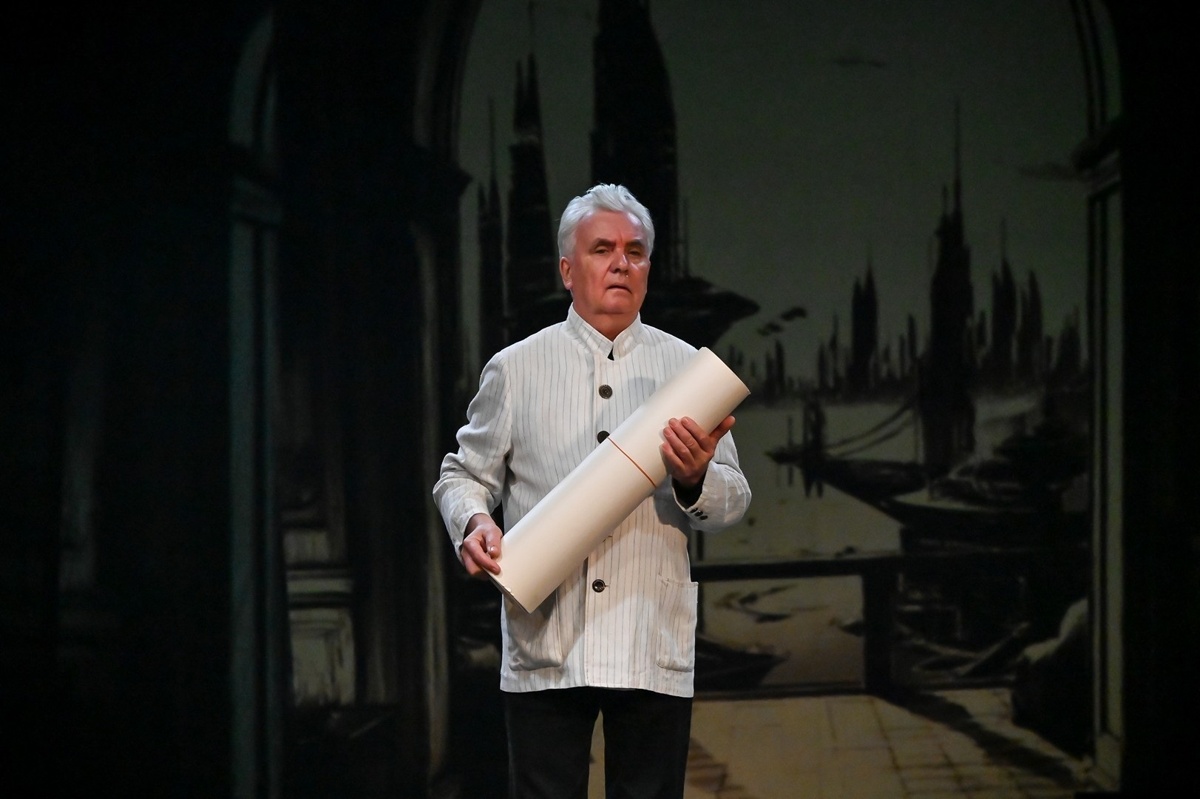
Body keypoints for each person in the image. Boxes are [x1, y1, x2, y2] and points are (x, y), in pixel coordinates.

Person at [433, 183, 751, 798]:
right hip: (547, 638)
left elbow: (733, 499)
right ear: (566, 270)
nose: (621, 263)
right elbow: (461, 474)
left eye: (635, 251)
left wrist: (694, 479)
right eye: (603, 249)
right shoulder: (516, 368)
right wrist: (473, 521)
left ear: (648, 269)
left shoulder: (689, 371)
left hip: (648, 636)